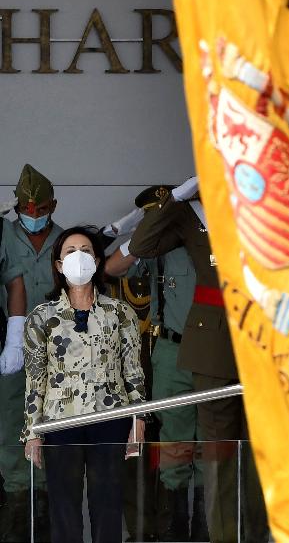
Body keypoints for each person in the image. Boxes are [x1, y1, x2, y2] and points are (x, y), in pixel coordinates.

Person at [126, 176, 269, 543]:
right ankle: (222, 536)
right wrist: (175, 198)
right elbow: (142, 244)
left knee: (263, 446)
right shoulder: (192, 213)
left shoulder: (273, 199)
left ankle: (255, 534)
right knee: (218, 452)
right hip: (212, 341)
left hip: (268, 337)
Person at [22, 226, 146, 543]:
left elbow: (133, 371)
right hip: (61, 420)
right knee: (64, 510)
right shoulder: (42, 317)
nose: (79, 257)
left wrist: (139, 418)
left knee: (108, 507)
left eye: (86, 251)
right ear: (59, 264)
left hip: (110, 418)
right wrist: (32, 432)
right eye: (71, 251)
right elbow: (36, 379)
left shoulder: (120, 313)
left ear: (97, 259)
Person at [104, 185, 207, 540]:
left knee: (213, 445)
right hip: (172, 353)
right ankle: (176, 529)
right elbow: (113, 267)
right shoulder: (157, 248)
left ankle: (206, 528)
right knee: (175, 445)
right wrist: (140, 228)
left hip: (214, 351)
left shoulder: (214, 238)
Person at [0, 165, 61, 541]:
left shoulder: (67, 240)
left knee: (51, 429)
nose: (33, 216)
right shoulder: (2, 233)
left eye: (41, 210)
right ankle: (15, 520)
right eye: (27, 208)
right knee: (10, 426)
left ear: (54, 205)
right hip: (14, 350)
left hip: (58, 353)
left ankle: (45, 514)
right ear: (18, 204)